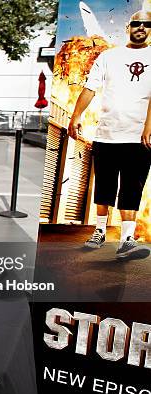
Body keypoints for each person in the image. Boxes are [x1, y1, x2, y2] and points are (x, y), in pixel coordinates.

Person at [67, 10, 151, 260]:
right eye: (137, 23)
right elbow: (90, 88)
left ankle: (126, 240)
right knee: (104, 186)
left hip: (138, 137)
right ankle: (100, 230)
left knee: (131, 188)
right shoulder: (108, 56)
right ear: (129, 26)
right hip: (106, 134)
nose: (142, 28)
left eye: (147, 24)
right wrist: (75, 116)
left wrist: (149, 126)